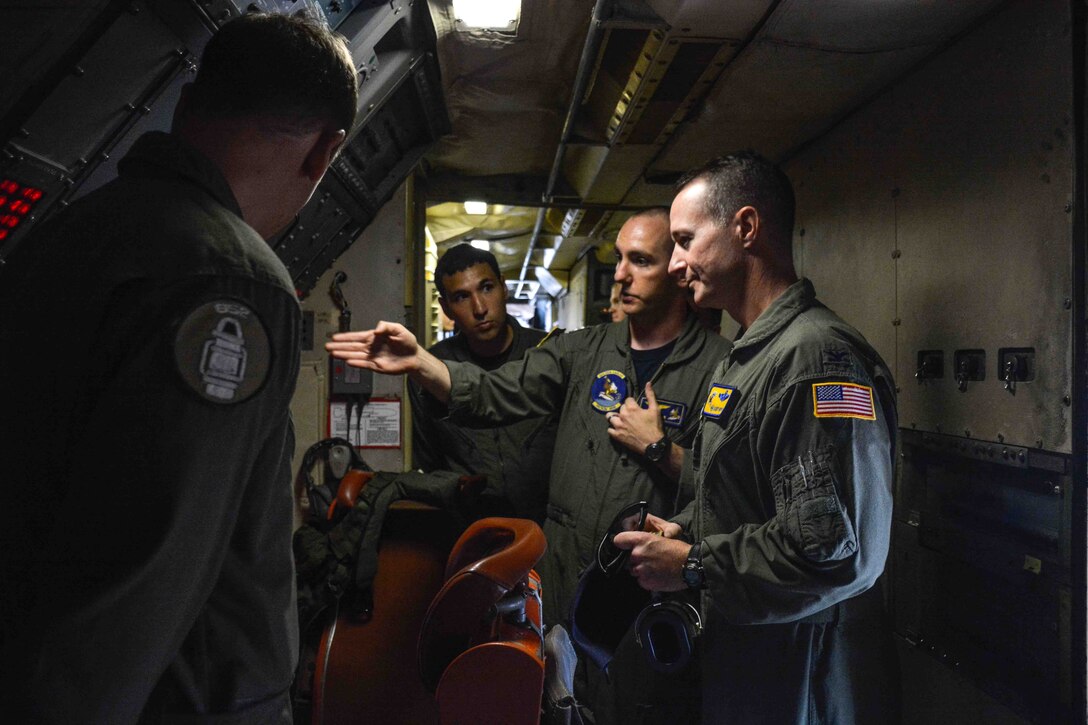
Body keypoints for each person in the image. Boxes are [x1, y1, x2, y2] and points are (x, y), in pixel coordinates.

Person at [0, 14, 358, 723]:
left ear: (190, 102)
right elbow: (143, 573)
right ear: (324, 153)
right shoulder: (234, 281)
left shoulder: (65, 236)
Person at [328, 207, 730, 719]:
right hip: (560, 566)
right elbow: (499, 391)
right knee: (550, 697)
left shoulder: (719, 366)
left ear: (676, 270)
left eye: (640, 260)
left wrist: (659, 450)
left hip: (644, 579)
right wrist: (423, 363)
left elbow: (731, 488)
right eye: (619, 259)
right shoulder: (581, 350)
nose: (621, 274)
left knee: (638, 702)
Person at [614, 152, 900, 723]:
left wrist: (693, 564)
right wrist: (685, 529)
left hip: (800, 676)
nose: (675, 264)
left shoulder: (815, 358)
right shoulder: (749, 357)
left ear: (745, 229)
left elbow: (830, 553)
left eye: (686, 240)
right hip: (752, 660)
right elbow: (747, 498)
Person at [411, 243, 558, 522]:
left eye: (487, 288)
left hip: (545, 531)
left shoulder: (549, 354)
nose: (479, 308)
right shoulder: (433, 371)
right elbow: (428, 464)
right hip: (468, 530)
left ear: (504, 288)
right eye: (461, 297)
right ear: (446, 308)